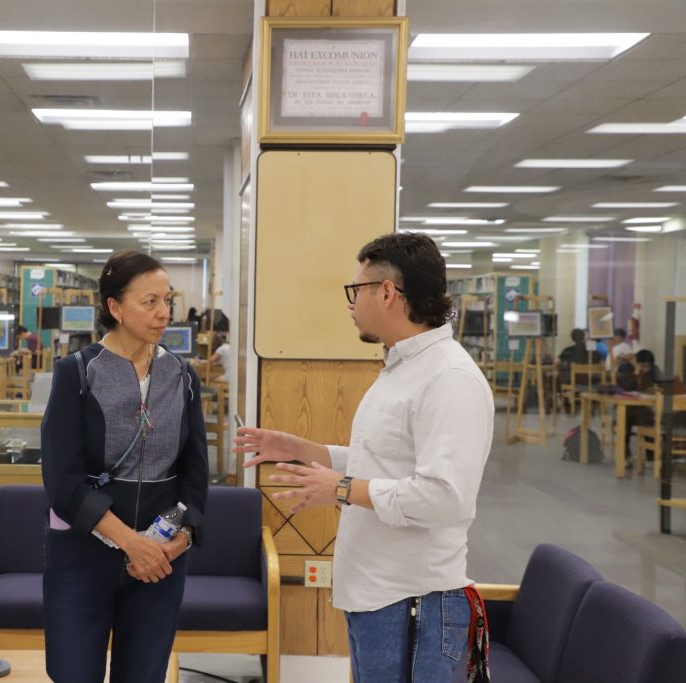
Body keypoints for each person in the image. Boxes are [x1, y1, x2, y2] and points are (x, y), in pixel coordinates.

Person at [234, 232, 494, 681]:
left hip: (413, 601)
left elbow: (444, 497)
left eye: (356, 290)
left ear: (387, 292)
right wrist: (302, 450)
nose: (351, 303)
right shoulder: (403, 368)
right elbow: (383, 463)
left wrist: (340, 488)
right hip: (376, 594)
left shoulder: (449, 378)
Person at [40, 249, 209, 683]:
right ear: (114, 307)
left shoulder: (183, 375)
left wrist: (182, 538)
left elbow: (195, 473)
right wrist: (131, 543)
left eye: (167, 300)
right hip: (82, 554)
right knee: (73, 672)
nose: (164, 312)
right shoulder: (77, 372)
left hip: (161, 556)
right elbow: (62, 480)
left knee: (144, 674)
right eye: (149, 302)